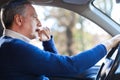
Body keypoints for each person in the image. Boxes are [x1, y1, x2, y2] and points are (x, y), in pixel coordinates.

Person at [0, 0, 120, 80]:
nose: (39, 23)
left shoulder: (8, 44)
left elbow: (56, 70)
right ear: (19, 20)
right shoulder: (15, 48)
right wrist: (109, 43)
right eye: (35, 17)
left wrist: (47, 43)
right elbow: (71, 66)